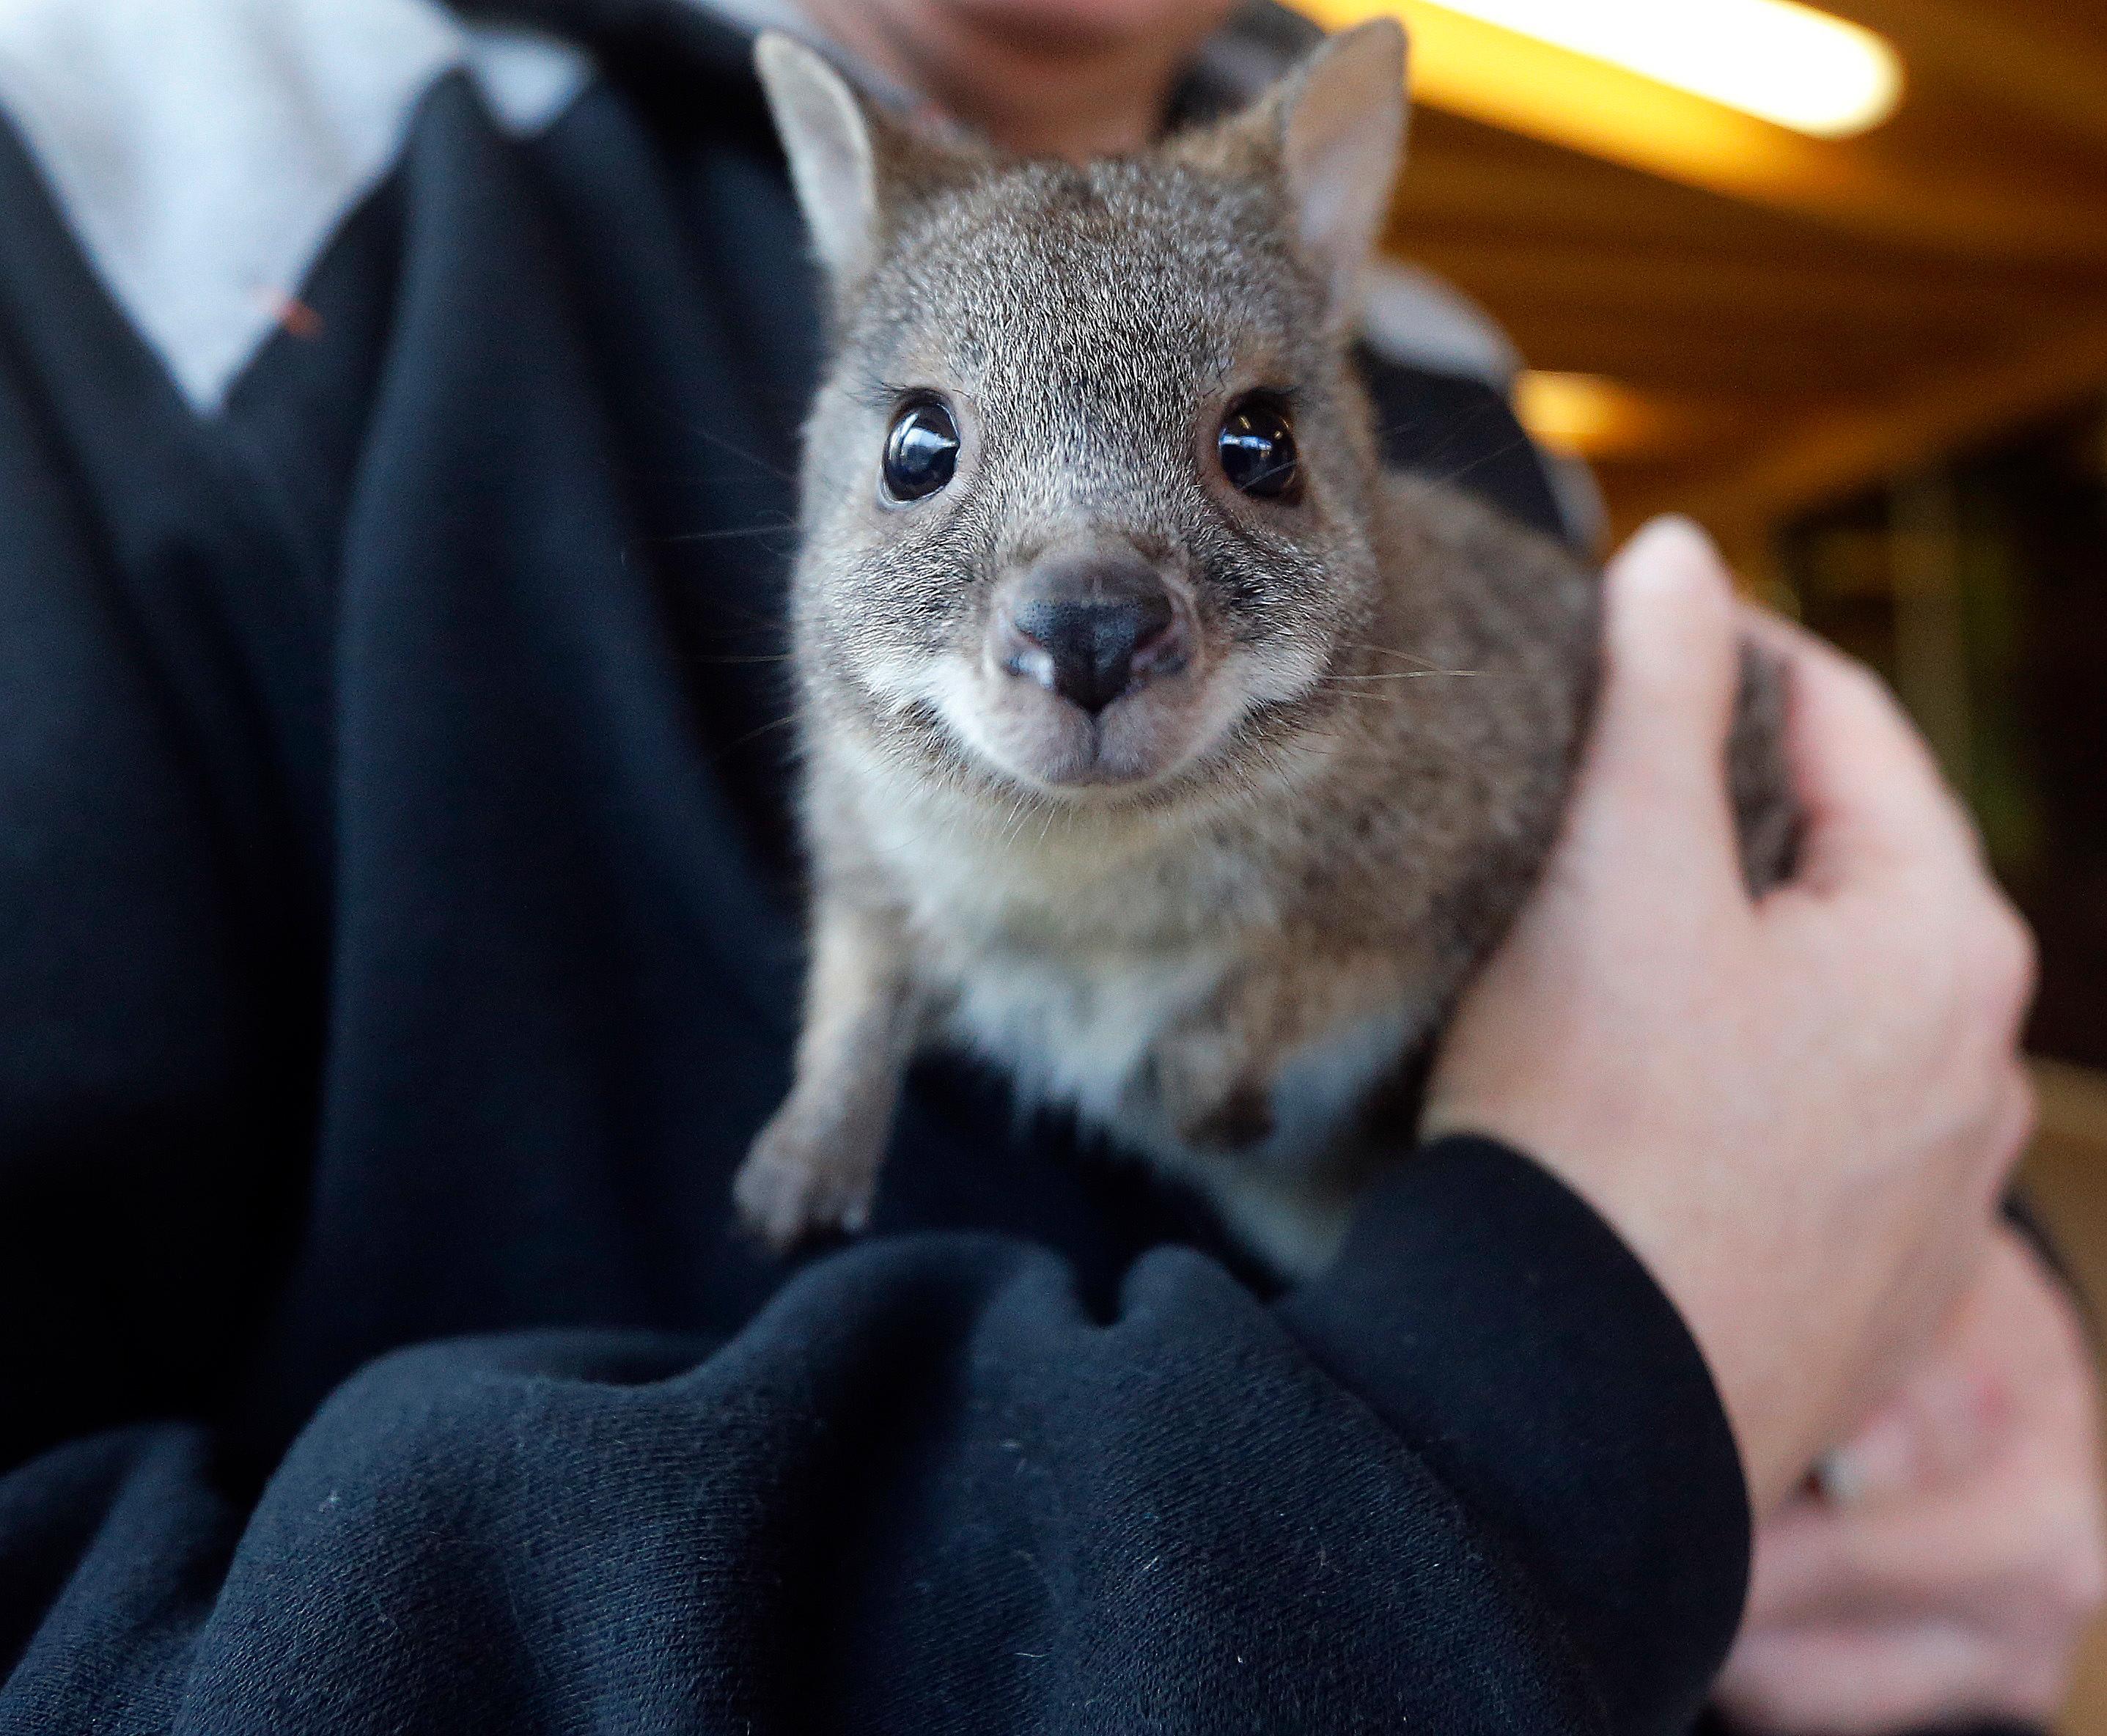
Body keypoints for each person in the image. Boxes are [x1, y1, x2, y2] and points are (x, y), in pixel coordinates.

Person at [0, 0, 2095, 1730]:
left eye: (1255, 449)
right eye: (922, 453)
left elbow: (1757, 1020)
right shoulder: (155, 175)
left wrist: (1960, 1281)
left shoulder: (1441, 380)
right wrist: (1533, 1417)